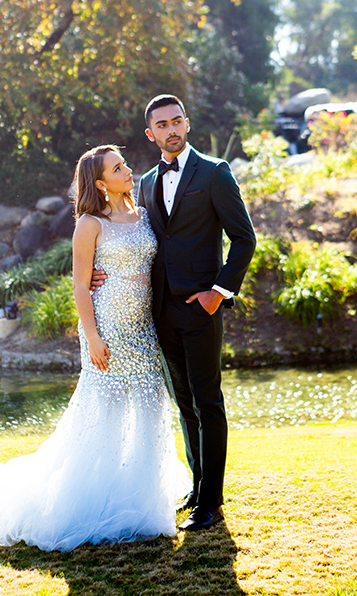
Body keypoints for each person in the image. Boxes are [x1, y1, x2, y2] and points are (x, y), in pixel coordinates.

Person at [0, 144, 190, 552]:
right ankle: (85, 499)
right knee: (101, 412)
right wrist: (92, 337)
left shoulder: (142, 213)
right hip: (108, 328)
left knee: (148, 405)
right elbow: (81, 285)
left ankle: (142, 500)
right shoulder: (89, 223)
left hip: (144, 328)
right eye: (118, 168)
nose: (128, 170)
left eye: (125, 163)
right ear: (100, 182)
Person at [137, 94, 256, 531]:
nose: (171, 130)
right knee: (183, 402)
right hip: (161, 311)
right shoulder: (146, 182)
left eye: (176, 121)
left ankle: (212, 502)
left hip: (201, 308)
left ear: (187, 124)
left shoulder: (214, 172)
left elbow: (245, 239)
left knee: (208, 401)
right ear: (151, 134)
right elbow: (144, 243)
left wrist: (219, 292)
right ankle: (197, 486)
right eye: (161, 125)